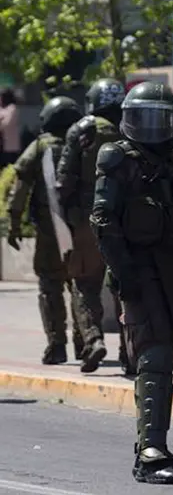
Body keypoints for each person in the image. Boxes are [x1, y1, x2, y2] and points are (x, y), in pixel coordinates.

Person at [90, 81, 173, 484]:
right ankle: (149, 451)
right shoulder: (116, 157)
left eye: (160, 118)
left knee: (166, 358)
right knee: (155, 358)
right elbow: (103, 221)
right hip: (140, 273)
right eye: (143, 117)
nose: (152, 127)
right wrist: (126, 278)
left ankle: (158, 444)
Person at [56, 78, 130, 374]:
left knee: (84, 285)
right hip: (125, 220)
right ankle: (131, 349)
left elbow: (64, 179)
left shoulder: (81, 129)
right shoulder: (132, 126)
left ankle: (93, 339)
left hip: (87, 219)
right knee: (124, 287)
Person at [7, 97, 85, 366]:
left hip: (50, 229)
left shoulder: (40, 146)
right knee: (81, 285)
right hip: (82, 229)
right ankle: (84, 342)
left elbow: (20, 187)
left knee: (50, 286)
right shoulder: (82, 145)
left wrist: (14, 224)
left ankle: (57, 345)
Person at [0, 89, 21, 167]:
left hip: (10, 148)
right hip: (3, 148)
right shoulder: (3, 110)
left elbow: (5, 124)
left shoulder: (12, 108)